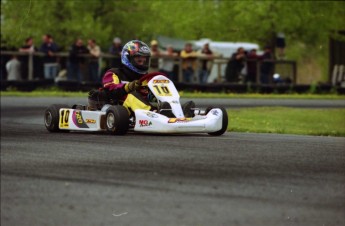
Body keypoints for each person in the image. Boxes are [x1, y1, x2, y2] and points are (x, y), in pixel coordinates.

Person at [87, 40, 195, 118]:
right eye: (139, 59)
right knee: (132, 95)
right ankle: (158, 114)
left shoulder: (146, 78)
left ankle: (178, 112)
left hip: (140, 109)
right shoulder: (114, 73)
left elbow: (149, 96)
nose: (142, 62)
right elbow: (110, 89)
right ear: (128, 58)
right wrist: (128, 87)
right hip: (119, 108)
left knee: (157, 93)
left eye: (144, 59)